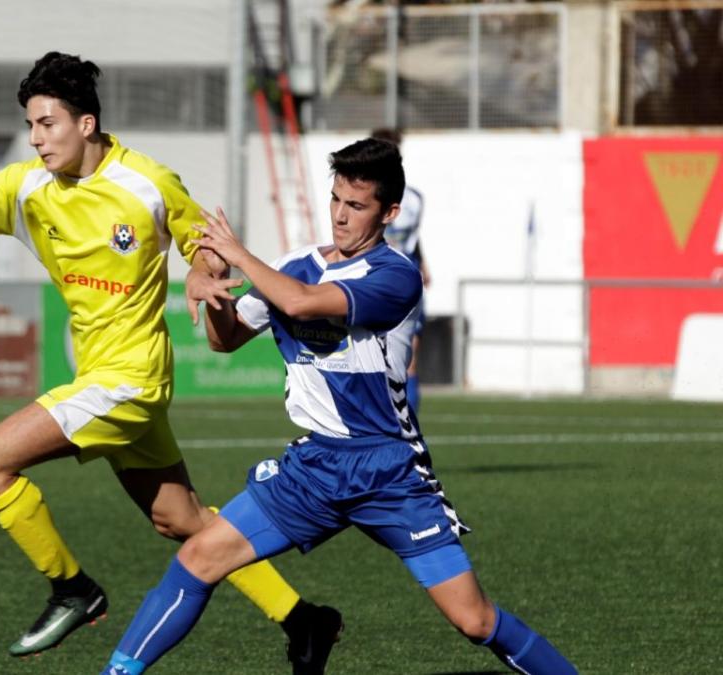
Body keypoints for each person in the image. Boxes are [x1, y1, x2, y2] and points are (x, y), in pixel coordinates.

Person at [0, 52, 340, 670]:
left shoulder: (146, 182)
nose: (35, 138)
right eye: (30, 125)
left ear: (86, 124)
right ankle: (304, 620)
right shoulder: (25, 187)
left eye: (47, 124)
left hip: (130, 380)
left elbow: (202, 244)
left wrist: (201, 278)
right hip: (104, 380)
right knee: (180, 521)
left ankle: (73, 589)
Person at [101, 139, 577, 675]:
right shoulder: (295, 264)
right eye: (335, 201)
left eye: (357, 206)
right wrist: (211, 289)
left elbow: (301, 303)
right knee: (197, 558)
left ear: (389, 212)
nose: (340, 216)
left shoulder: (396, 276)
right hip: (315, 467)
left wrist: (237, 255)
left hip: (388, 470)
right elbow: (225, 339)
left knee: (474, 621)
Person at [371, 127, 427, 411]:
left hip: (405, 280)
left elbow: (414, 239)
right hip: (370, 280)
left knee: (408, 357)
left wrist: (424, 264)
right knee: (370, 358)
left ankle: (408, 429)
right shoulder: (363, 196)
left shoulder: (414, 199)